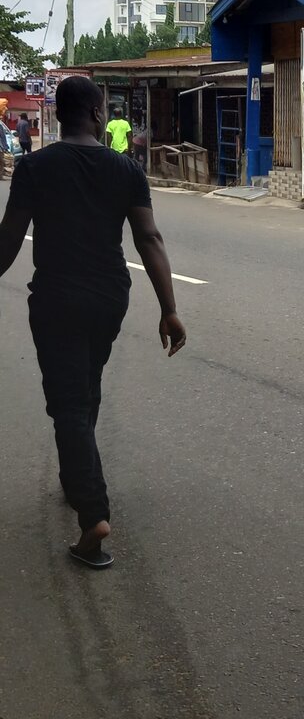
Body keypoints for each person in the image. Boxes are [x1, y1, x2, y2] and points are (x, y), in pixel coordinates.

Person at [0, 76, 186, 569]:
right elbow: (149, 238)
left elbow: (9, 240)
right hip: (109, 299)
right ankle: (77, 475)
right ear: (98, 114)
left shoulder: (34, 167)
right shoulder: (126, 169)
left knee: (68, 403)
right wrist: (168, 308)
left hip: (56, 300)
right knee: (86, 386)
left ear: (59, 116)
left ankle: (92, 517)